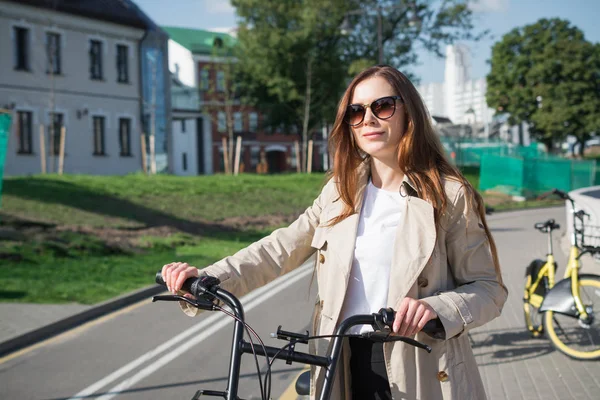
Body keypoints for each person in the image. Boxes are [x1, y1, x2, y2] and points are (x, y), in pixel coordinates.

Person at [161, 65, 508, 400]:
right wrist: (208, 279)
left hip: (420, 361)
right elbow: (279, 249)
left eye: (382, 106)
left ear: (408, 113)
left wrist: (437, 308)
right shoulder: (341, 190)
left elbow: (489, 290)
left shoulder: (448, 195)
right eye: (356, 112)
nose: (368, 118)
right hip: (339, 357)